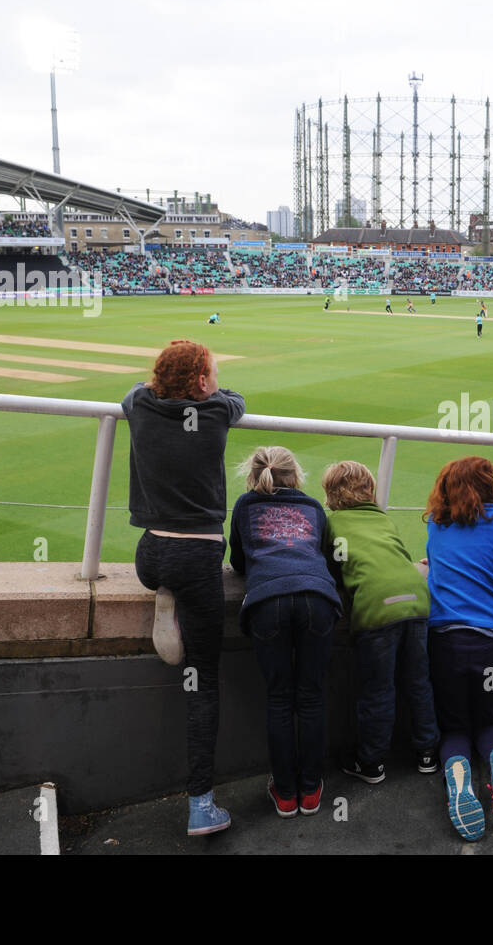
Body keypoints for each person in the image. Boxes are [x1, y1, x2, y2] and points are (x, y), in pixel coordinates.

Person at [123, 340, 244, 835]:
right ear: (200, 382)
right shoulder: (216, 411)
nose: (216, 379)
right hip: (197, 560)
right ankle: (201, 805)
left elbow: (138, 391)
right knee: (203, 684)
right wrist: (216, 390)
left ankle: (163, 594)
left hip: (150, 556)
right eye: (212, 372)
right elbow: (236, 400)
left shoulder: (140, 405)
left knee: (164, 576)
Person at [229, 446, 342, 819]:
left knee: (279, 699)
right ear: (295, 474)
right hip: (318, 599)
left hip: (267, 601)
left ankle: (286, 792)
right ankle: (310, 792)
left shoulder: (246, 505)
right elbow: (324, 557)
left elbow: (238, 561)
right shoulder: (313, 507)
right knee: (310, 696)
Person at [423, 456, 493, 841]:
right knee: (486, 720)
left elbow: (438, 562)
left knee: (453, 726)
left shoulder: (435, 522)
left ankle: (459, 779)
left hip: (445, 639)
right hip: (491, 640)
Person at [321, 460, 438, 784]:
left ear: (331, 493)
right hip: (416, 599)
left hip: (377, 608)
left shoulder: (333, 524)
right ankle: (427, 753)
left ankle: (371, 762)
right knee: (418, 683)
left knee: (377, 690)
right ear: (369, 490)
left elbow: (334, 571)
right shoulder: (383, 519)